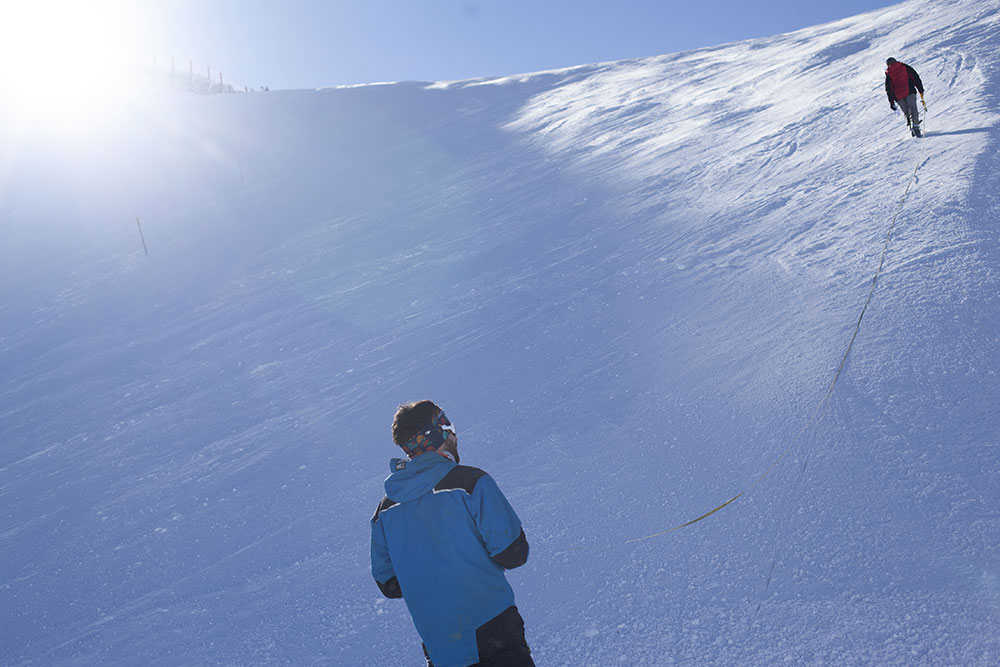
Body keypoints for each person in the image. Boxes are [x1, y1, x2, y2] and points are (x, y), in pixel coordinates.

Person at [370, 400, 533, 667]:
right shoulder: (469, 483)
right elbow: (513, 553)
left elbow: (388, 583)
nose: (455, 435)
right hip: (493, 630)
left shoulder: (385, 512)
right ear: (440, 432)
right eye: (450, 427)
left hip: (441, 645)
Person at [885, 57, 926, 137]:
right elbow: (915, 77)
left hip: (898, 96)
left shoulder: (889, 73)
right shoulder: (904, 66)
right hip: (909, 91)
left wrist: (891, 102)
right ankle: (916, 126)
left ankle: (910, 126)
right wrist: (920, 90)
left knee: (906, 112)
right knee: (913, 109)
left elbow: (889, 89)